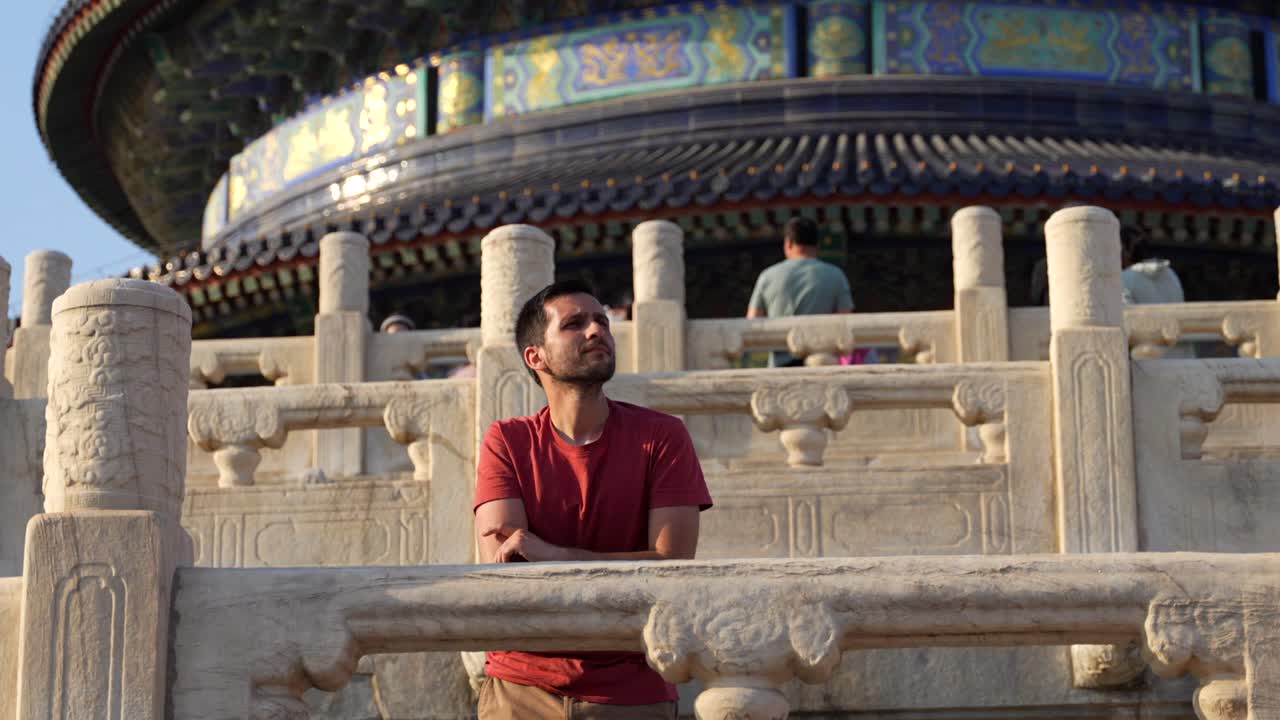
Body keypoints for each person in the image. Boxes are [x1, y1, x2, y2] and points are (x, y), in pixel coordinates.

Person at [473, 280, 712, 720]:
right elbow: (508, 568)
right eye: (574, 324)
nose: (596, 330)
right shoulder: (507, 441)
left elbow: (673, 567)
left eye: (602, 320)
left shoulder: (662, 436)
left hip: (633, 688)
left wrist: (554, 555)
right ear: (535, 356)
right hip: (520, 686)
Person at [746, 216, 854, 366]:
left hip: (780, 367)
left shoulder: (767, 276)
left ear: (788, 242)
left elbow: (752, 323)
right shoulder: (836, 276)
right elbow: (846, 322)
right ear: (817, 245)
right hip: (821, 365)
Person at [1120, 226, 1193, 358]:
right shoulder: (1171, 274)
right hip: (1181, 355)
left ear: (1125, 250)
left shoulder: (1124, 279)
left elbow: (1128, 324)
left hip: (1148, 358)